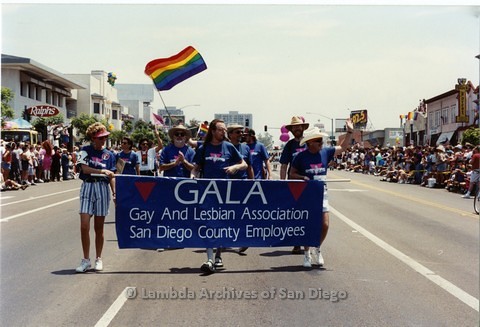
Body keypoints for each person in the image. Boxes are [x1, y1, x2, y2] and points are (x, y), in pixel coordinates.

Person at [289, 119, 354, 268]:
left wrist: (349, 132)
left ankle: (317, 248)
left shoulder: (326, 152)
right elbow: (292, 173)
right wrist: (303, 177)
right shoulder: (300, 157)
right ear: (310, 142)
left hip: (322, 193)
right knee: (308, 224)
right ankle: (306, 253)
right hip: (307, 194)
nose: (321, 143)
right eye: (318, 140)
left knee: (324, 224)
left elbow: (343, 147)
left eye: (321, 140)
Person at [191, 119, 247, 273]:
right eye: (221, 129)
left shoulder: (229, 147)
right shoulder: (204, 148)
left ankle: (218, 256)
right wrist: (192, 176)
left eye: (225, 130)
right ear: (213, 131)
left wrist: (235, 167)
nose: (224, 132)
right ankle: (209, 259)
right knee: (209, 224)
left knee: (221, 224)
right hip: (208, 193)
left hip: (225, 193)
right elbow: (196, 168)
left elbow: (244, 164)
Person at [75, 122, 116, 273]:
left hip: (102, 188)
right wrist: (101, 171)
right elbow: (84, 169)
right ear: (93, 138)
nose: (103, 140)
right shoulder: (84, 151)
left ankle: (98, 258)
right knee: (84, 225)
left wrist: (114, 193)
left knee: (99, 228)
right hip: (87, 186)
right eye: (100, 138)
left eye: (104, 137)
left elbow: (112, 175)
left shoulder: (110, 155)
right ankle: (86, 260)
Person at [279, 116, 310, 254]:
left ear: (303, 128)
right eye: (294, 127)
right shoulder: (290, 145)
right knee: (296, 215)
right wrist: (282, 183)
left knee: (309, 214)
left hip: (310, 185)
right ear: (291, 130)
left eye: (299, 126)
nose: (297, 129)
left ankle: (309, 242)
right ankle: (296, 242)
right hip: (293, 184)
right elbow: (284, 165)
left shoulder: (310, 142)